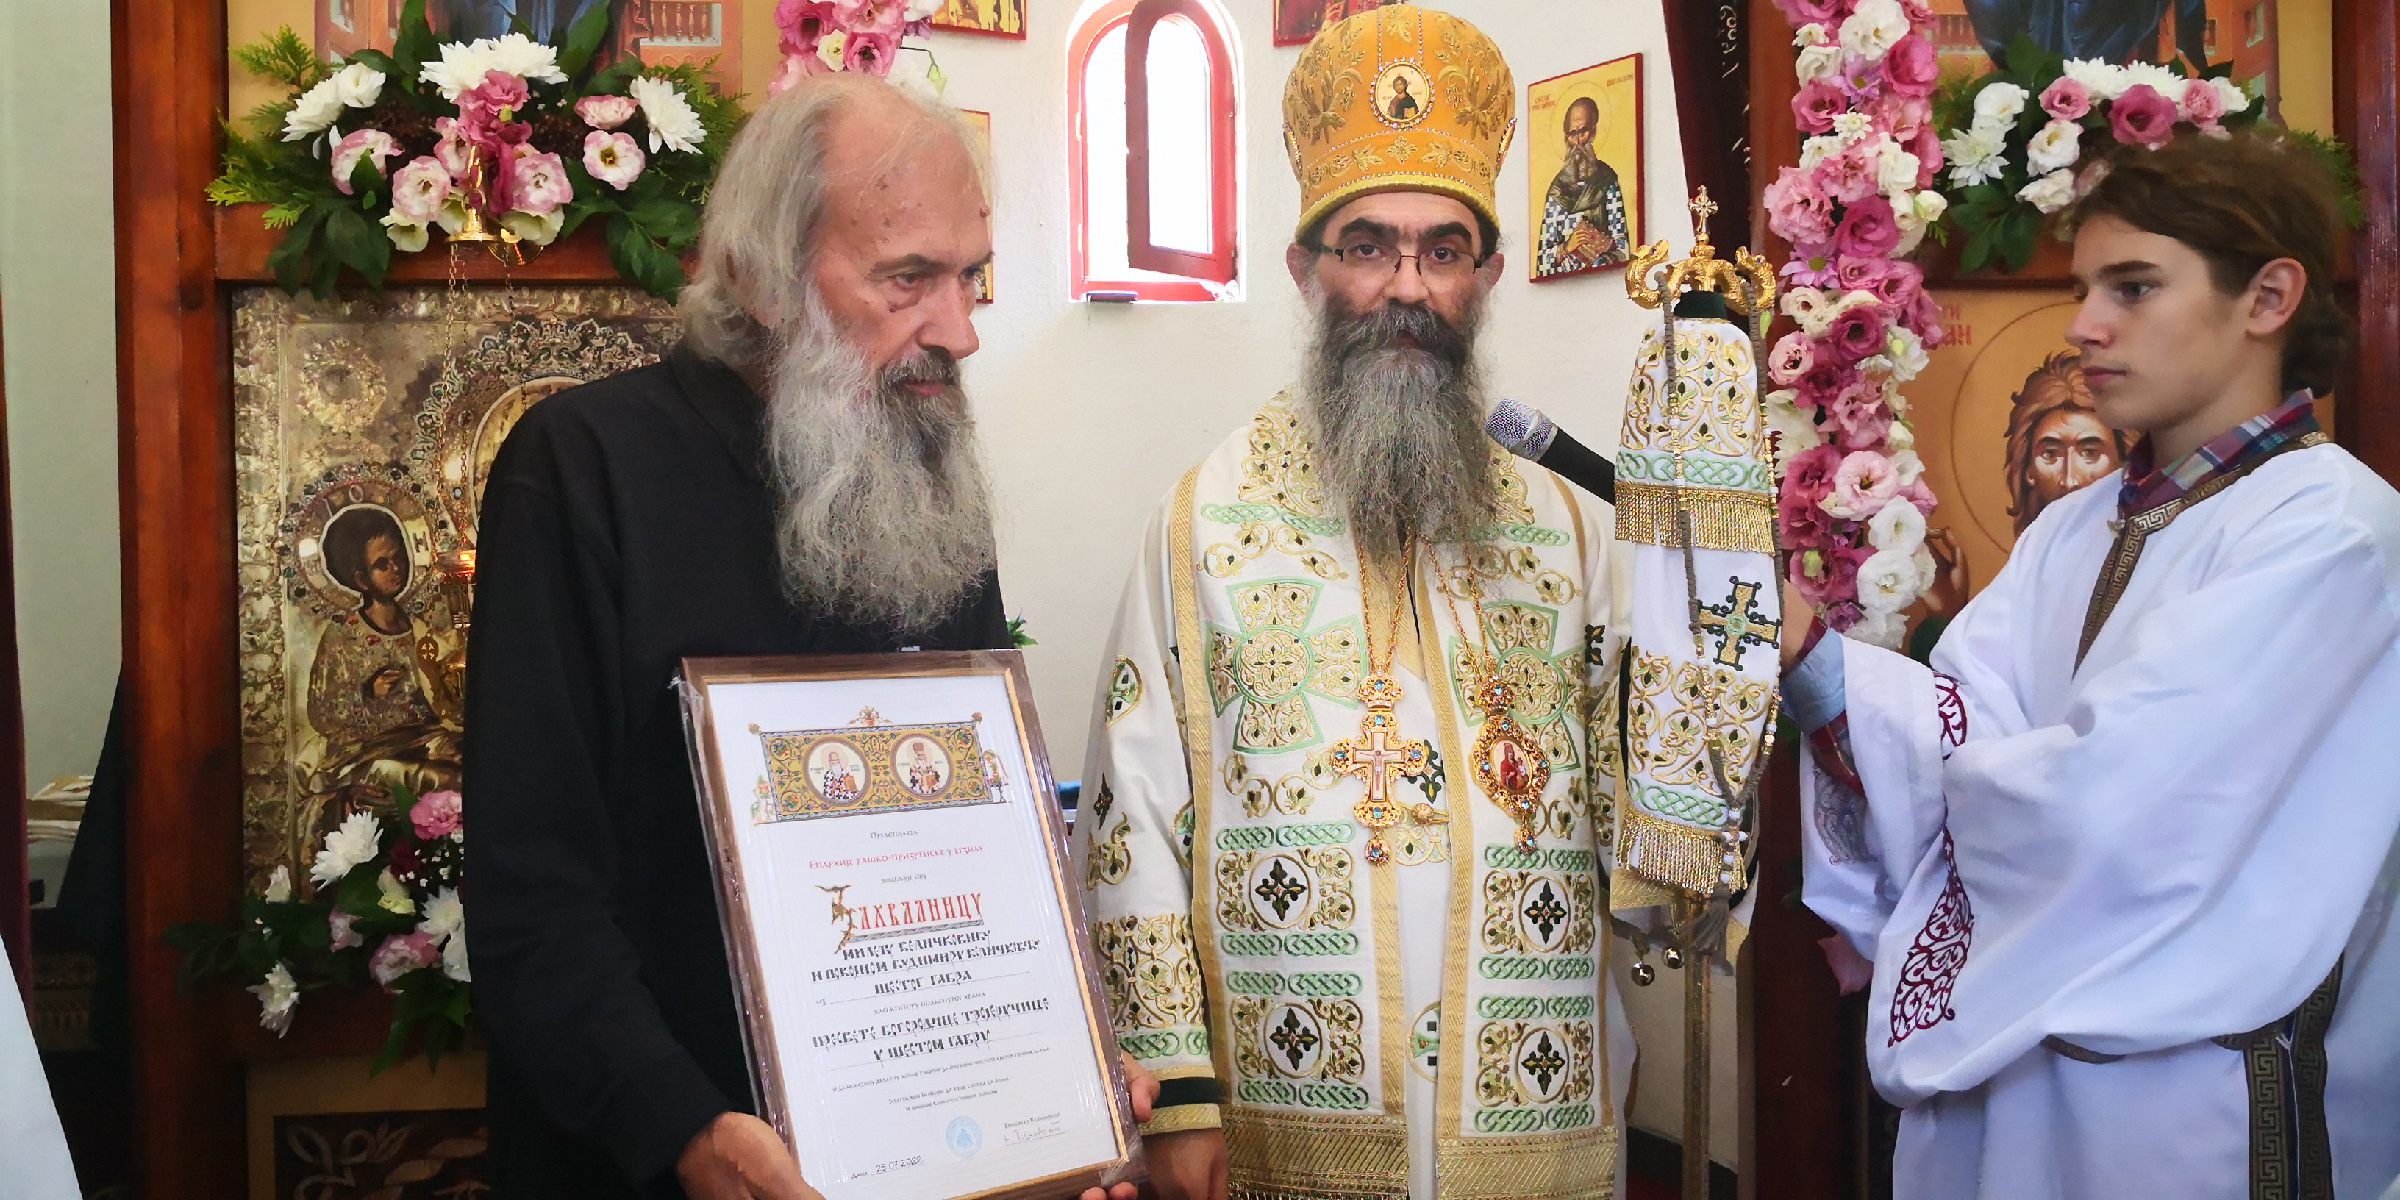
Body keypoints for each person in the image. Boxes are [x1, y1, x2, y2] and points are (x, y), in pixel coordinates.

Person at [467, 75, 1153, 1200]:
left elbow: (993, 845)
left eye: (971, 278)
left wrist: (1058, 1077)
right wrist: (683, 1127)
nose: (961, 332)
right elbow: (532, 899)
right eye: (908, 279)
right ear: (761, 276)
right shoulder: (584, 468)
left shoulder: (923, 468)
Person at [1071, 8, 1639, 1199]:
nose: (1405, 288)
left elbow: (1646, 805)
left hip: (1530, 1103)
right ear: (1304, 271)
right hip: (1285, 1116)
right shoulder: (1203, 523)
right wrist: (1175, 1095)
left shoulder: (1573, 528)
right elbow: (1131, 822)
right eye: (1367, 246)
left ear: (1487, 277)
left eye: (1444, 251)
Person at [1785, 131, 2400, 1199]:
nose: (2086, 326)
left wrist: (1917, 743)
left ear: (2268, 298)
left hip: (2189, 1105)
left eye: (2135, 287)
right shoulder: (2078, 526)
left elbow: (2118, 809)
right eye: (2085, 290)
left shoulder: (2331, 530)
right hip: (2017, 1088)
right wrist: (1815, 663)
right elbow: (1968, 717)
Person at [2001, 350, 2131, 534]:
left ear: (2124, 463)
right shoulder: (2029, 549)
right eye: (2050, 454)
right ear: (2028, 470)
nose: (2069, 481)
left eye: (2089, 453)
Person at [1536, 97, 1630, 277]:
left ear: (1593, 132)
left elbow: (1624, 246)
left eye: (1583, 131)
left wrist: (1605, 245)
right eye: (1573, 133)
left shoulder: (1607, 181)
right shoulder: (1557, 190)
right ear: (1567, 138)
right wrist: (1566, 247)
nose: (1579, 141)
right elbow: (1542, 262)